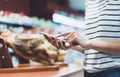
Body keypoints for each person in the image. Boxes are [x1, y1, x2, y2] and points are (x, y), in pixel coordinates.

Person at [50, 0, 120, 77]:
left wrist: (88, 43)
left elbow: (90, 44)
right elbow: (96, 50)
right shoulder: (90, 2)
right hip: (89, 72)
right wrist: (73, 45)